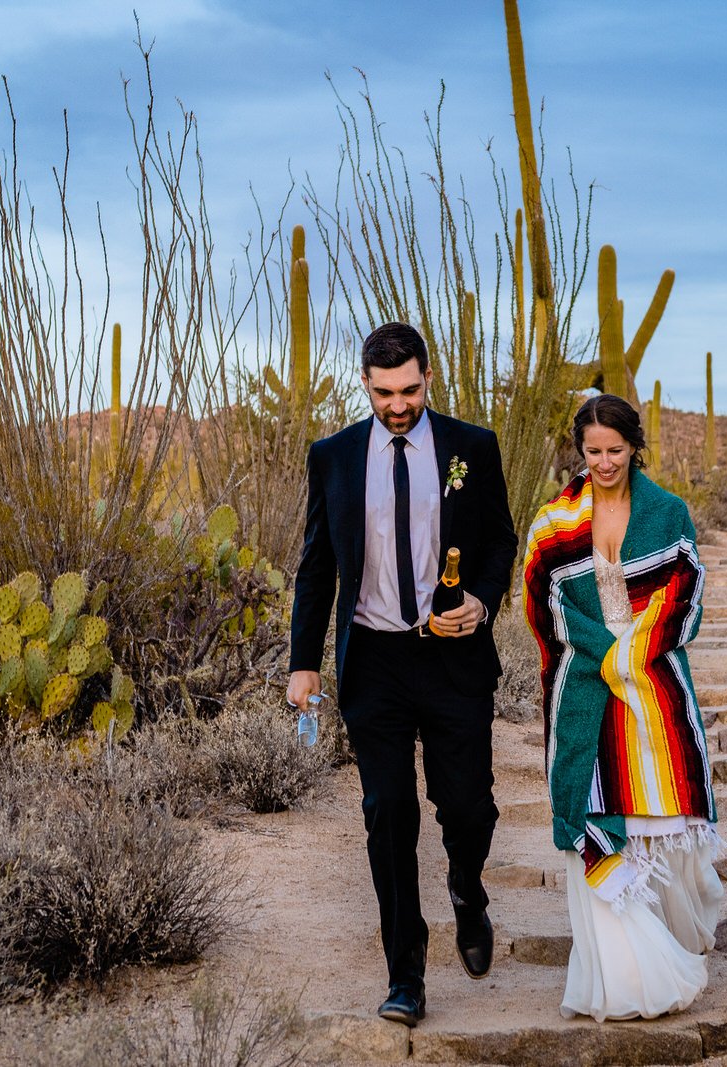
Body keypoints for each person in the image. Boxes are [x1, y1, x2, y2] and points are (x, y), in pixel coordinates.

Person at [287, 322, 517, 1027]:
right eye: (385, 392)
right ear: (365, 383)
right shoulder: (332, 456)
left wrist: (480, 600)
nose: (398, 404)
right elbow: (318, 562)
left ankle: (467, 888)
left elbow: (500, 538)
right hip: (375, 660)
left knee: (468, 806)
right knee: (388, 813)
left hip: (451, 653)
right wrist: (302, 663)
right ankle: (405, 973)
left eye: (410, 390)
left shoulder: (471, 447)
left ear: (427, 378)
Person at [521, 393, 723, 1022]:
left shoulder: (667, 512)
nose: (604, 462)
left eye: (614, 450)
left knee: (655, 812)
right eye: (592, 452)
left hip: (653, 676)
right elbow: (543, 601)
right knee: (590, 804)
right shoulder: (555, 522)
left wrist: (632, 653)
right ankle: (620, 972)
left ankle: (666, 936)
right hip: (582, 678)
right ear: (578, 452)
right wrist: (602, 653)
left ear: (635, 446)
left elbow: (684, 593)